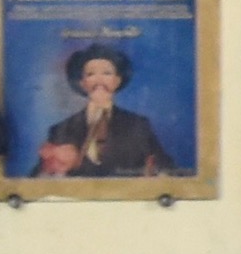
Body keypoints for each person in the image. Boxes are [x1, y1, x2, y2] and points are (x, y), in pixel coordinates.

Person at [36, 43, 181, 180]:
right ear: (82, 83)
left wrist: (154, 173)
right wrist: (52, 166)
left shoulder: (139, 125)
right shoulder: (60, 129)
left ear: (117, 80)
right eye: (91, 74)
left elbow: (166, 168)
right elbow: (37, 181)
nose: (99, 80)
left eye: (107, 73)